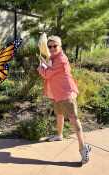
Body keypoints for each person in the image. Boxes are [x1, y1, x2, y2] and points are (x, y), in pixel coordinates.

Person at [37, 35, 91, 165]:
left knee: (73, 119)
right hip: (57, 93)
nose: (52, 48)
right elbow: (50, 69)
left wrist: (40, 67)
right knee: (59, 114)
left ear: (60, 46)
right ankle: (59, 135)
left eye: (55, 46)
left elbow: (47, 74)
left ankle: (83, 149)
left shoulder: (61, 59)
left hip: (66, 93)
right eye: (49, 46)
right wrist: (44, 62)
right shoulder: (53, 58)